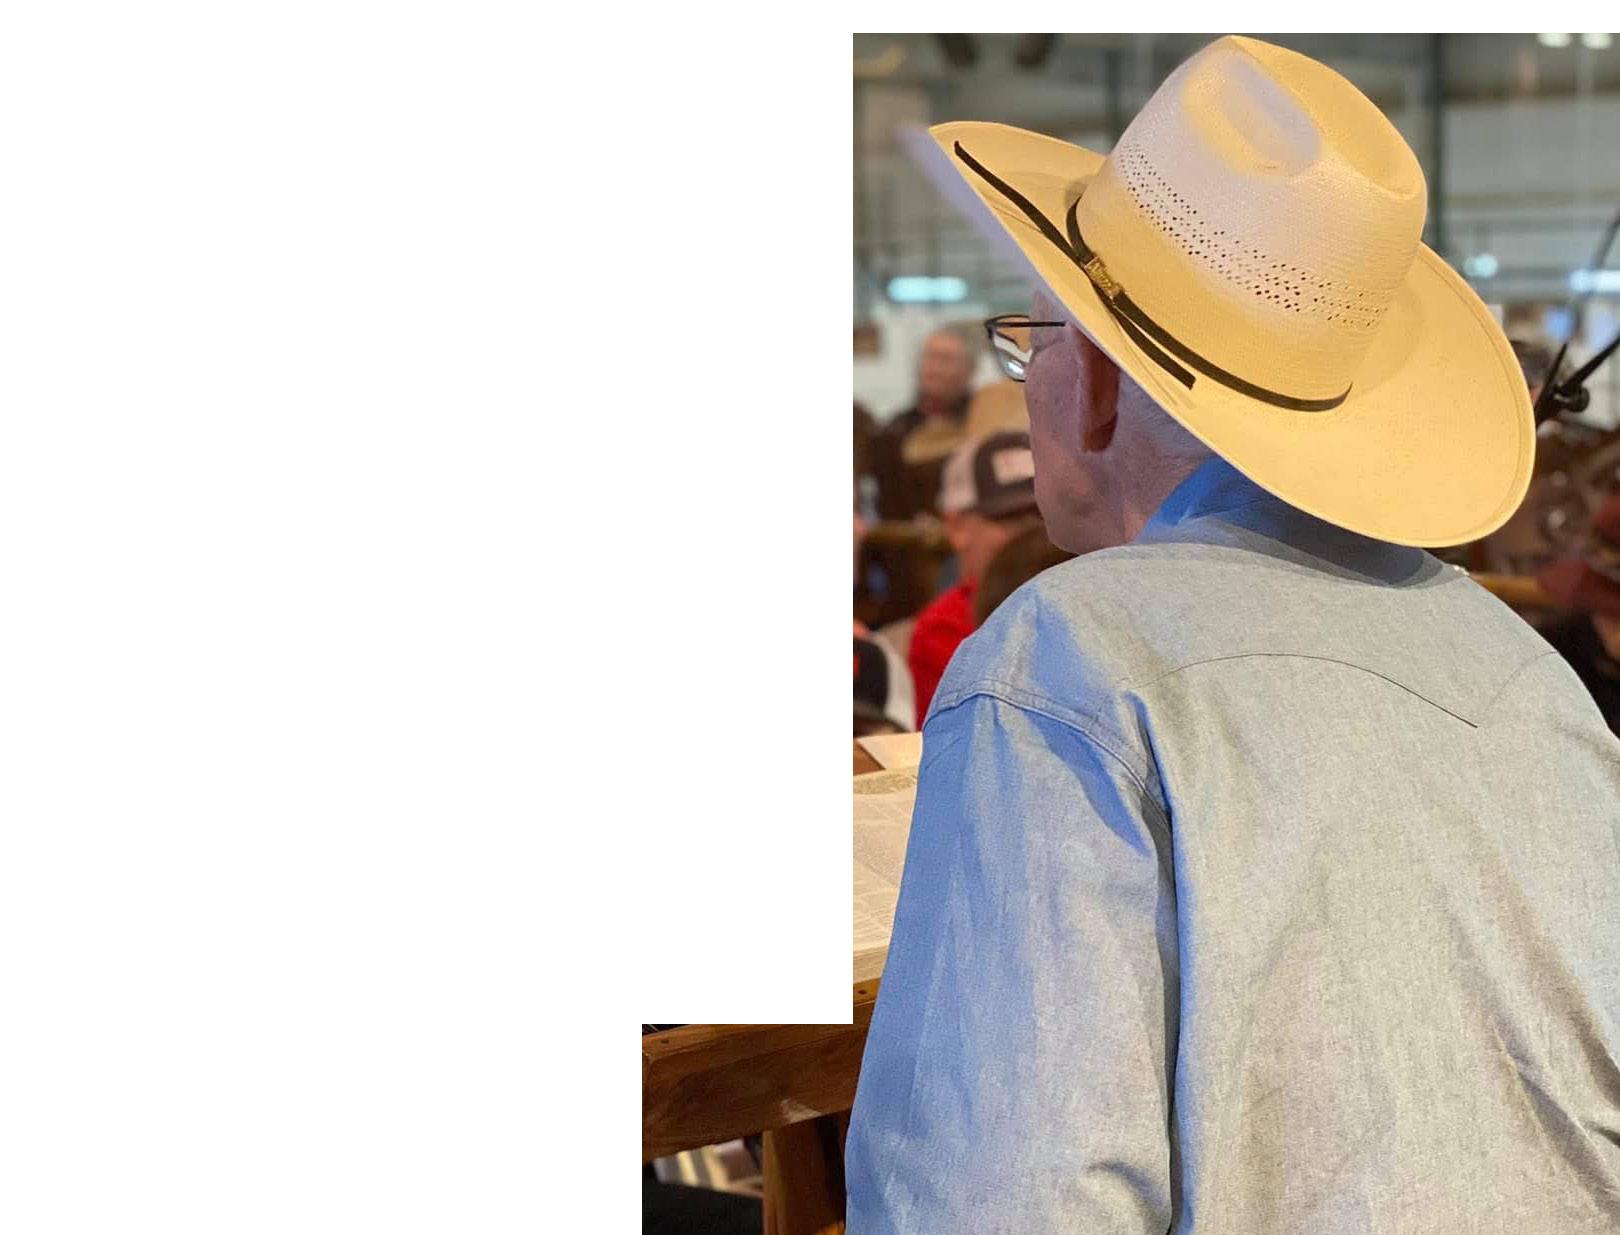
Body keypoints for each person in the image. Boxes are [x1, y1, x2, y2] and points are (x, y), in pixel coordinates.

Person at [846, 36, 1620, 1234]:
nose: (1028, 379)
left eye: (1032, 341)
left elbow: (995, 1204)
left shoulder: (1069, 659)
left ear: (1100, 385)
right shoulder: (1534, 680)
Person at [905, 431, 1043, 727]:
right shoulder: (945, 628)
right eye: (1010, 518)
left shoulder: (1082, 600)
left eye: (1042, 513)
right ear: (957, 527)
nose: (1033, 532)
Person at [871, 328, 976, 521]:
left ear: (969, 370)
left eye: (946, 360)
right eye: (930, 358)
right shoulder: (893, 432)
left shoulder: (985, 423)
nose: (935, 369)